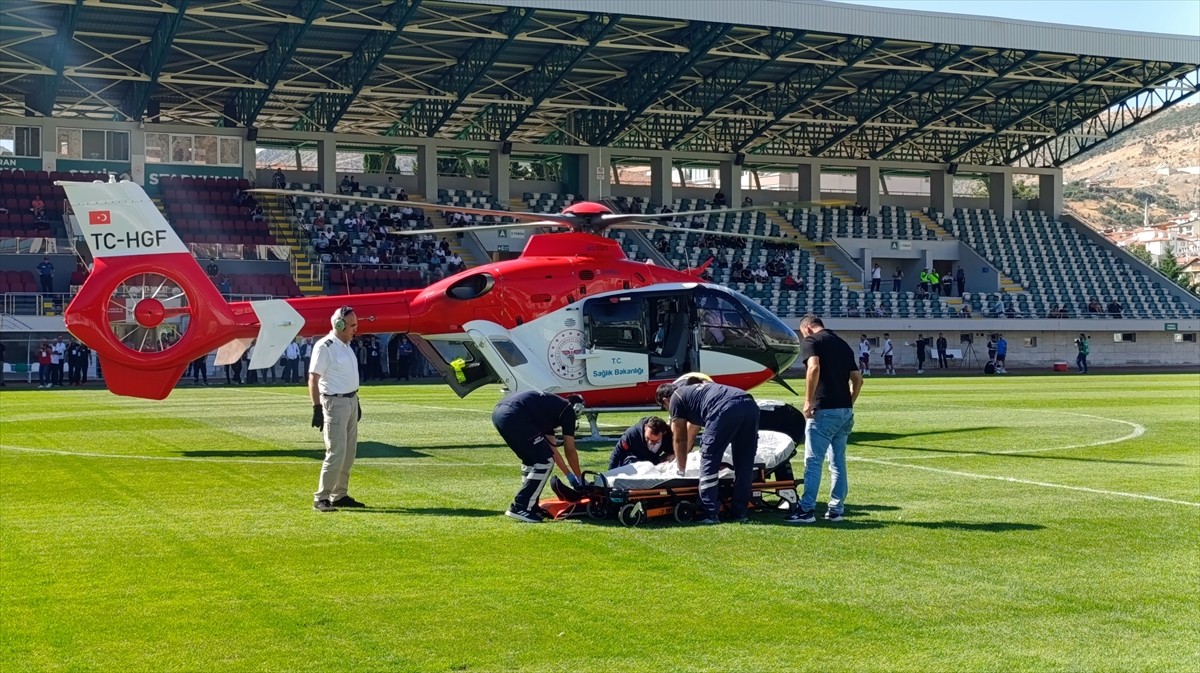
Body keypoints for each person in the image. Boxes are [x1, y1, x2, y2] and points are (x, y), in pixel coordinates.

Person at [788, 315, 863, 523]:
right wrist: (850, 401)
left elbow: (813, 367)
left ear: (807, 329)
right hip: (845, 411)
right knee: (838, 462)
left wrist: (808, 401)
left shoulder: (812, 341)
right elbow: (858, 379)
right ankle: (836, 509)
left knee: (813, 461)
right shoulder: (842, 344)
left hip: (823, 409)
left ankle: (807, 509)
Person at [655, 378, 759, 524]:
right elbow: (691, 434)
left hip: (724, 408)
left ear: (665, 400)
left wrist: (680, 469)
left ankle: (710, 512)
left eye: (663, 406)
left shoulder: (676, 399)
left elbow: (680, 439)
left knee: (709, 458)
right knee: (744, 462)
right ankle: (740, 512)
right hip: (749, 403)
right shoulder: (693, 392)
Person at [491, 390, 585, 523]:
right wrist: (579, 478)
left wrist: (569, 474)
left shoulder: (549, 409)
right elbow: (569, 450)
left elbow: (552, 450)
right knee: (544, 461)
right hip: (514, 414)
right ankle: (520, 506)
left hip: (499, 413)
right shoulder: (567, 410)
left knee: (532, 461)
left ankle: (530, 506)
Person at [309, 306, 365, 512]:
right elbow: (313, 378)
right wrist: (316, 407)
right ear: (338, 325)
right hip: (334, 403)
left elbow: (348, 376)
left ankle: (339, 494)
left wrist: (355, 401)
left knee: (349, 453)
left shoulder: (346, 345)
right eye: (352, 325)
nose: (355, 329)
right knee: (336, 452)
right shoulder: (326, 346)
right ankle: (321, 497)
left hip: (350, 400)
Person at [605, 416, 673, 470]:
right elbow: (616, 455)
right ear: (645, 428)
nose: (650, 442)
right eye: (648, 438)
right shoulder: (631, 435)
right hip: (633, 464)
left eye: (655, 441)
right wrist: (609, 476)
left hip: (654, 465)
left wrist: (670, 456)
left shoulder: (668, 436)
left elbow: (676, 451)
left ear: (664, 433)